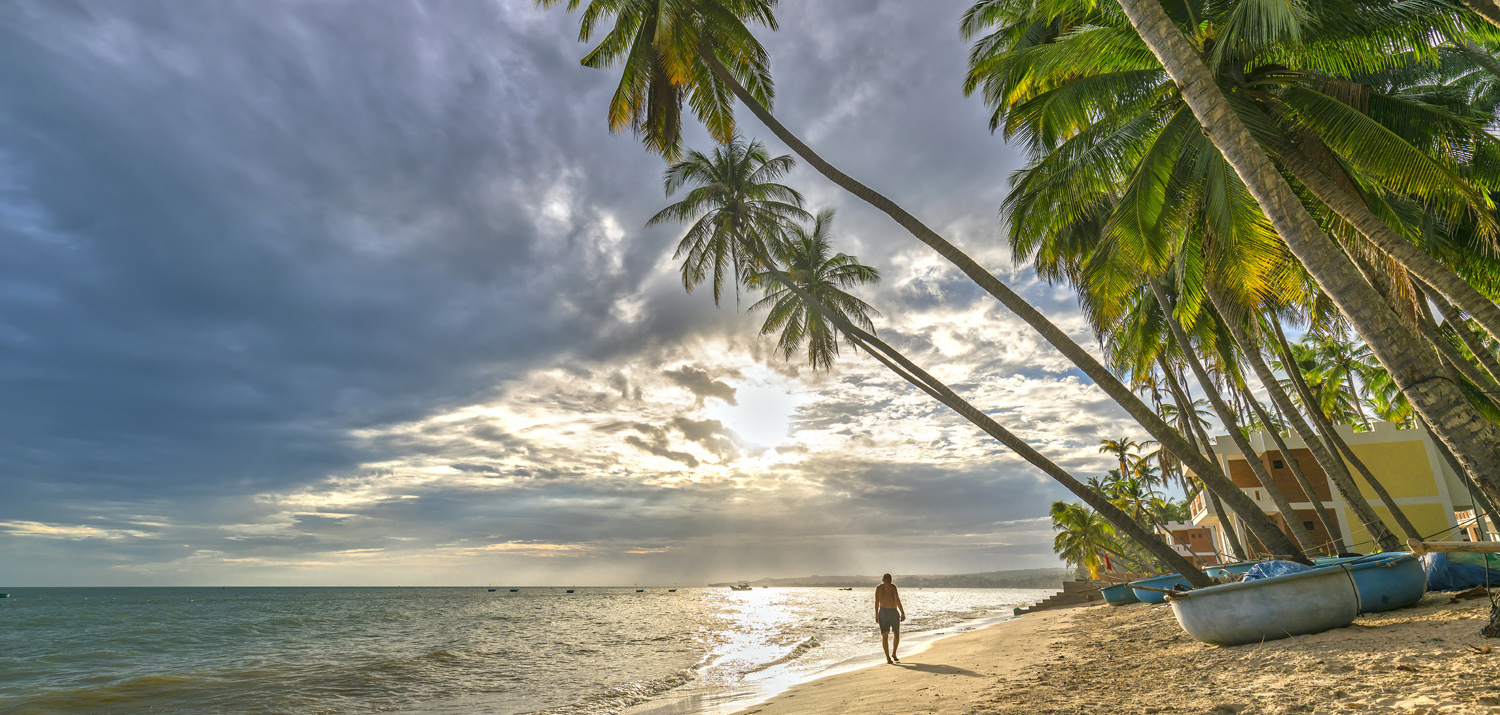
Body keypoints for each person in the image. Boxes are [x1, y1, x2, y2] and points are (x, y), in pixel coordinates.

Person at [874, 573, 905, 664]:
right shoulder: (892, 587)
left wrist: (876, 615)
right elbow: (897, 600)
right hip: (892, 611)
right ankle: (893, 653)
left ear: (883, 580)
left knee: (885, 635)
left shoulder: (878, 588)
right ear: (890, 580)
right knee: (896, 633)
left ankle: (888, 658)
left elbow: (877, 603)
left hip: (882, 612)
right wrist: (902, 612)